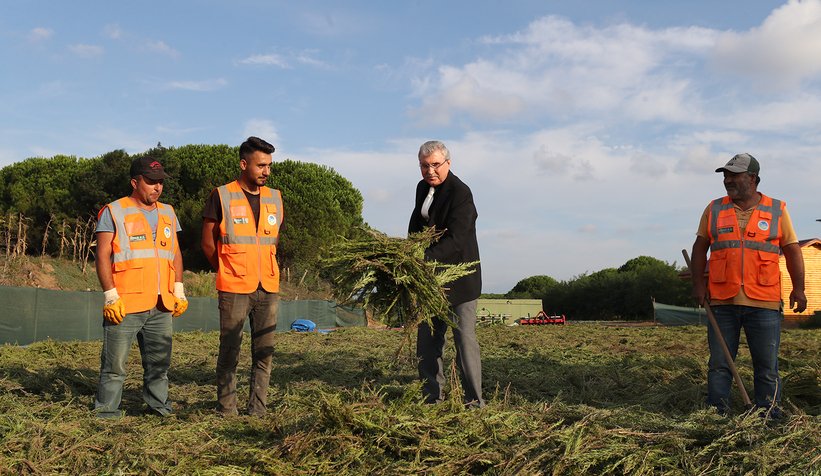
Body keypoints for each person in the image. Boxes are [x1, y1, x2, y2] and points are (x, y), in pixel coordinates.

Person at [691, 153, 806, 417]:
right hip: (722, 301)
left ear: (752, 178)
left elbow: (792, 250)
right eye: (725, 175)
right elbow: (700, 248)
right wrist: (698, 284)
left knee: (766, 365)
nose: (727, 180)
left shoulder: (777, 210)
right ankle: (716, 413)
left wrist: (798, 288)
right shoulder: (714, 208)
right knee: (720, 363)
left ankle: (768, 414)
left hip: (763, 303)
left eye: (734, 175)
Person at [94, 155, 188, 418]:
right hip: (125, 304)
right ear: (135, 182)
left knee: (159, 365)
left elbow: (175, 253)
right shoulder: (114, 211)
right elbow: (102, 255)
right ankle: (106, 414)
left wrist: (178, 288)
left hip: (161, 304)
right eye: (151, 182)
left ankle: (160, 409)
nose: (157, 187)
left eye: (160, 182)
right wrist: (111, 296)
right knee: (115, 366)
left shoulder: (168, 212)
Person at [201, 136, 283, 417]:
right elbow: (208, 243)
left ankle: (258, 410)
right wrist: (225, 268)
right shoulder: (221, 195)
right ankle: (227, 409)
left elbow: (272, 240)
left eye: (269, 166)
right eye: (261, 165)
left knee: (265, 352)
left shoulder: (275, 197)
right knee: (230, 352)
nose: (266, 171)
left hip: (268, 286)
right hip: (234, 287)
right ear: (243, 163)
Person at [408, 140, 484, 408]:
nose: (430, 171)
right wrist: (408, 250)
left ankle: (474, 402)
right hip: (431, 281)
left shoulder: (461, 193)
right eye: (425, 166)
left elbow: (458, 239)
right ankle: (431, 399)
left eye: (436, 165)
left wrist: (424, 259)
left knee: (464, 341)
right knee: (427, 343)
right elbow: (417, 221)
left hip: (460, 279)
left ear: (448, 164)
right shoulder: (422, 188)